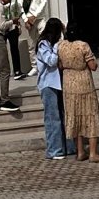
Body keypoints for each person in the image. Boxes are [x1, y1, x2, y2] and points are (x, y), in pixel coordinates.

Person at [56, 25, 99, 163]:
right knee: (91, 114)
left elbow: (60, 65)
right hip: (84, 82)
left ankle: (80, 151)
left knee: (75, 115)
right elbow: (93, 66)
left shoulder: (61, 46)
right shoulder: (83, 45)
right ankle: (93, 153)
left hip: (69, 84)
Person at [33, 17, 75, 159]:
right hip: (48, 84)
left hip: (59, 83)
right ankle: (54, 150)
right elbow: (51, 61)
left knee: (64, 115)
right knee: (53, 118)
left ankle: (68, 146)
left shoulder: (55, 44)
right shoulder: (43, 44)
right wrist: (58, 47)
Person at [13, 0, 48, 80]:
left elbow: (43, 2)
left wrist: (35, 16)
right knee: (31, 44)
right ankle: (35, 66)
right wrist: (25, 20)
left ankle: (45, 64)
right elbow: (20, 6)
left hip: (40, 18)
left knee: (44, 41)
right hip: (29, 21)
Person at [0, 0, 22, 78]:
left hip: (12, 26)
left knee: (14, 48)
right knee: (2, 51)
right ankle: (3, 71)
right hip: (4, 27)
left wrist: (18, 24)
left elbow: (17, 11)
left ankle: (17, 71)